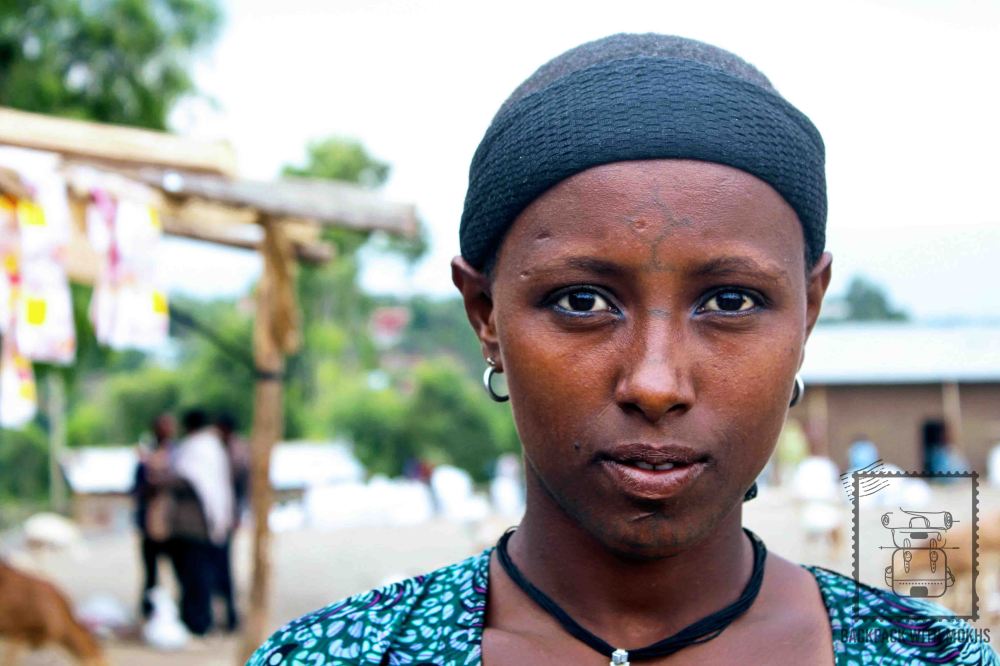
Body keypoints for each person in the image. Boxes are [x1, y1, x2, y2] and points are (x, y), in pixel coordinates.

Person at [249, 34, 997, 665]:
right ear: (485, 314)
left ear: (809, 310)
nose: (656, 382)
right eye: (582, 302)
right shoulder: (341, 653)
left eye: (731, 301)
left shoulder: (933, 656)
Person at [169, 408, 235, 635]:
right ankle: (199, 620)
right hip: (205, 525)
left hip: (193, 528)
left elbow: (193, 483)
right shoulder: (211, 447)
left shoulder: (195, 449)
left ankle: (199, 622)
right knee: (198, 577)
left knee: (196, 578)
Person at [132, 412, 176, 618]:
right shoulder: (145, 457)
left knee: (180, 572)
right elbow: (138, 490)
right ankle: (149, 612)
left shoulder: (177, 454)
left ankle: (178, 613)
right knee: (151, 573)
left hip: (173, 525)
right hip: (150, 525)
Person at [215, 411, 249, 631]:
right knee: (222, 567)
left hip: (226, 517)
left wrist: (236, 515)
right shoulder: (231, 449)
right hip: (224, 515)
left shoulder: (236, 452)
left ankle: (230, 616)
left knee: (223, 568)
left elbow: (240, 489)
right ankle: (228, 616)